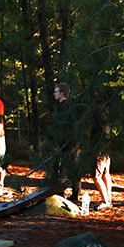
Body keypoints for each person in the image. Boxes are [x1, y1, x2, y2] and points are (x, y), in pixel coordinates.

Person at [51, 83, 113, 211]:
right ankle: (107, 199)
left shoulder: (97, 112)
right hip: (95, 144)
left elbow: (67, 125)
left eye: (56, 91)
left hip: (75, 142)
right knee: (104, 173)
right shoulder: (102, 110)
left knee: (95, 174)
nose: (54, 94)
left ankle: (105, 200)